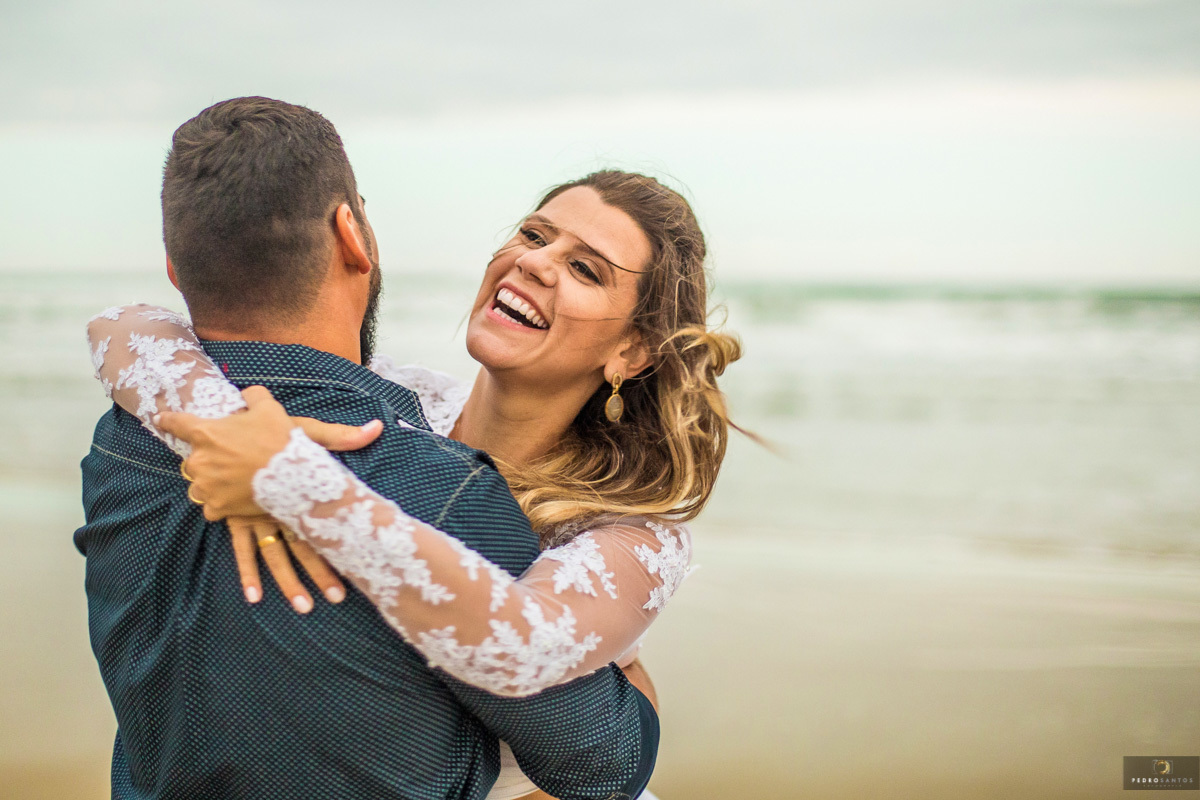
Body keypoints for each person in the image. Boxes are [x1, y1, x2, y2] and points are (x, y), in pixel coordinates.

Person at [76, 96, 660, 800]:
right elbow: (603, 764)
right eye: (533, 235)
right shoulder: (443, 493)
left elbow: (124, 330)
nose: (535, 262)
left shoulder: (120, 443)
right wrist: (632, 680)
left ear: (175, 267)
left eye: (587, 268)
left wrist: (281, 474)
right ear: (353, 234)